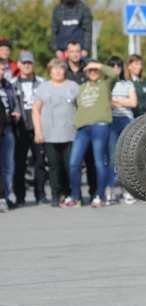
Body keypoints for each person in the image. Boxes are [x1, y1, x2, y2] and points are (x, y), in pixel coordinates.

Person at [62, 60, 117, 208]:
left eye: (95, 70)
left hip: (100, 126)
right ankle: (76, 197)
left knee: (99, 162)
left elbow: (113, 74)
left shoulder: (105, 85)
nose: (92, 72)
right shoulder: (82, 87)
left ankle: (100, 196)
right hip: (82, 128)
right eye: (90, 70)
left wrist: (98, 65)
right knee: (74, 163)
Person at [32, 59, 80, 207]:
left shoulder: (73, 87)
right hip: (49, 135)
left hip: (70, 134)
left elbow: (81, 108)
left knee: (69, 166)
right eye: (55, 69)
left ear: (65, 70)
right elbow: (36, 110)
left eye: (60, 68)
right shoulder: (43, 87)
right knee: (53, 166)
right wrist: (38, 131)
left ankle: (70, 194)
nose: (58, 71)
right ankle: (55, 195)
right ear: (50, 71)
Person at [12, 51, 47, 207]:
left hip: (38, 128)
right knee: (19, 164)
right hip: (20, 130)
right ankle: (20, 197)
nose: (27, 66)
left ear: (33, 65)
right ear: (19, 64)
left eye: (29, 63)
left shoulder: (42, 83)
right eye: (24, 63)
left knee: (40, 162)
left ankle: (41, 194)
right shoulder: (12, 83)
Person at [107, 56, 137, 205]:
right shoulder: (105, 84)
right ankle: (110, 190)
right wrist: (121, 102)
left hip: (126, 120)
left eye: (118, 65)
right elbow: (106, 103)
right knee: (112, 158)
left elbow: (133, 102)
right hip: (111, 121)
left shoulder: (127, 83)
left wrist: (116, 101)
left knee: (126, 158)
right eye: (112, 66)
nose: (116, 68)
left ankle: (127, 191)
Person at [0, 58, 21, 207]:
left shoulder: (8, 86)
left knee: (8, 166)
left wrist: (15, 113)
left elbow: (15, 104)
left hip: (7, 127)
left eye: (3, 69)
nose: (1, 72)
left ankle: (6, 197)